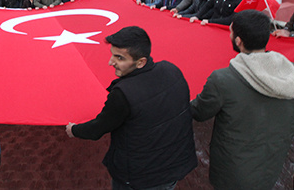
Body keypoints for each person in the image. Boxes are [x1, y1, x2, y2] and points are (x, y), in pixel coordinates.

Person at [191, 10, 294, 189]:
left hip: (231, 170)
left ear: (238, 41)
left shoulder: (223, 79)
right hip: (271, 165)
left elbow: (198, 111)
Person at [66, 26, 197, 189]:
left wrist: (74, 130)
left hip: (139, 178)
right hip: (174, 167)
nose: (110, 62)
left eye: (119, 58)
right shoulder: (172, 70)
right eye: (112, 55)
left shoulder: (123, 94)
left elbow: (96, 129)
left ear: (140, 62)